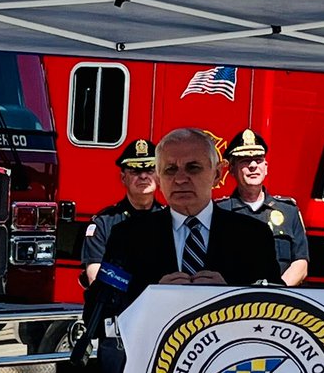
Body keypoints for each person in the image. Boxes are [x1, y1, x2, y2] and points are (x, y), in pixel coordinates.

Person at [79, 137, 165, 373]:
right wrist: (149, 280)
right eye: (136, 170)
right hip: (119, 329)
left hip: (163, 329)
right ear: (123, 177)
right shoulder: (106, 222)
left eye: (149, 169)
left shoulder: (173, 221)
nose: (144, 176)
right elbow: (97, 273)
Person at [100, 127, 279, 303]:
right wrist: (150, 296)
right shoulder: (128, 237)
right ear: (159, 178)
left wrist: (230, 294)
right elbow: (98, 310)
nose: (180, 179)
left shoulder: (252, 236)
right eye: (170, 169)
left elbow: (277, 306)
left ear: (217, 174)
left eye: (193, 168)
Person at [215, 128, 309, 286]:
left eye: (258, 160)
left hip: (279, 301)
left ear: (266, 167)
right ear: (231, 169)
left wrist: (275, 292)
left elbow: (300, 264)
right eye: (244, 160)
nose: (253, 166)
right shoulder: (218, 212)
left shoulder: (288, 211)